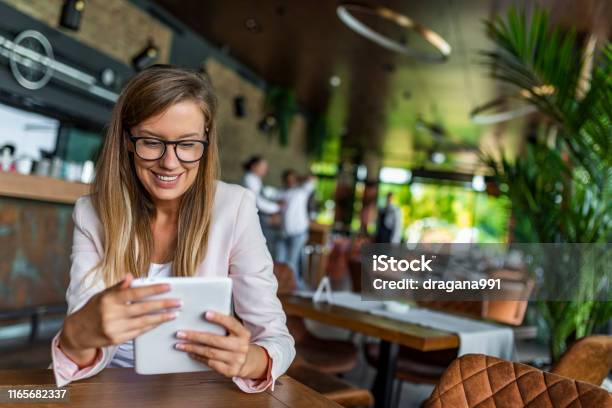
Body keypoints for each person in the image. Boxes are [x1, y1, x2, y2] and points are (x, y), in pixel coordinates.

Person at [52, 65, 295, 392]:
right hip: (105, 387)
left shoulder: (234, 207)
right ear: (127, 140)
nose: (170, 162)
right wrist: (78, 333)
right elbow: (77, 351)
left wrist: (250, 360)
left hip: (195, 391)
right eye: (152, 142)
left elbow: (277, 338)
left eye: (187, 144)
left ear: (206, 140)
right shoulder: (92, 212)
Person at [275, 170, 315, 288]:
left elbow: (312, 178)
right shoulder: (281, 193)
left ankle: (294, 288)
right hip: (284, 233)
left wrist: (298, 177)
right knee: (279, 260)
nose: (290, 181)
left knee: (292, 262)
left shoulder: (302, 191)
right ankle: (281, 287)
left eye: (292, 179)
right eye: (288, 179)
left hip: (298, 233)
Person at [241, 156, 282, 257]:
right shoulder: (250, 179)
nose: (265, 170)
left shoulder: (255, 179)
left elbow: (266, 193)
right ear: (254, 166)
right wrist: (277, 207)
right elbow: (257, 202)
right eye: (262, 167)